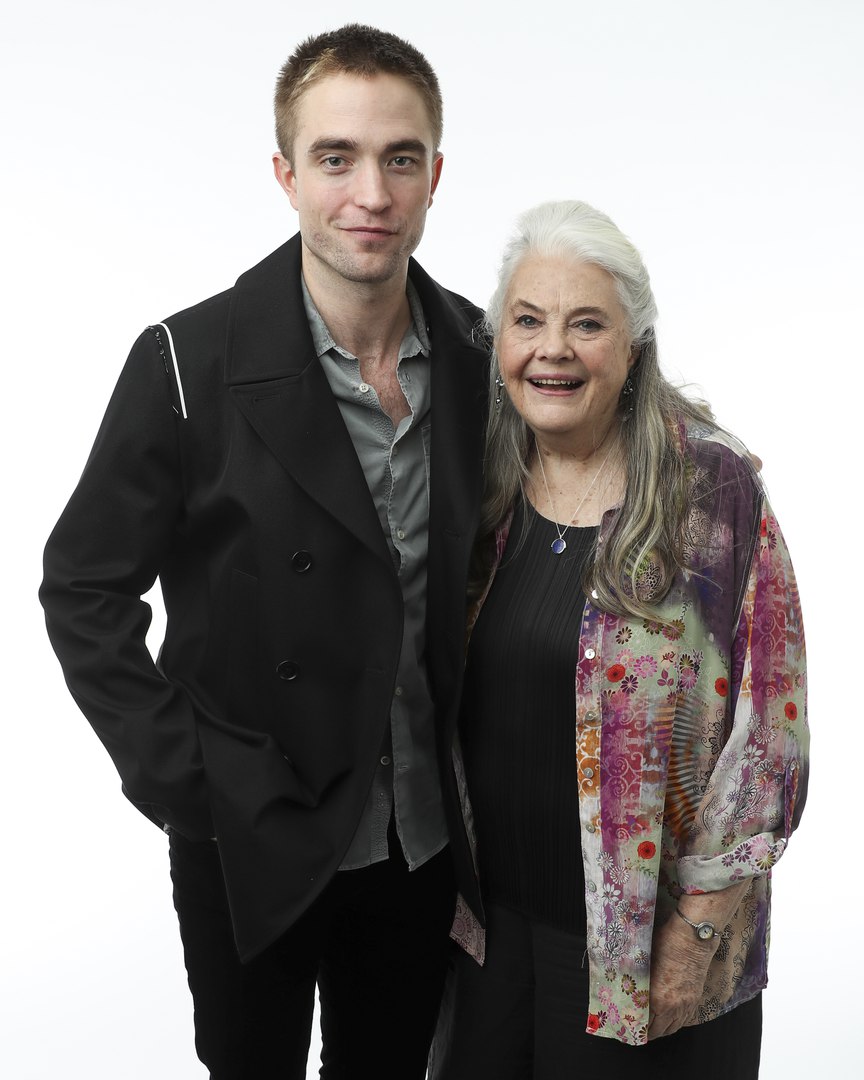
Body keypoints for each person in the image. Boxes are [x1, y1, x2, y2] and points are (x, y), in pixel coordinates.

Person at [39, 24, 487, 1080]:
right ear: (286, 175)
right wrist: (188, 781)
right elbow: (84, 587)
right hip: (250, 828)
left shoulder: (480, 355)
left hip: (423, 834)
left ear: (435, 176)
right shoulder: (184, 361)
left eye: (400, 158)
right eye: (336, 158)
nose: (370, 193)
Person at [431, 201, 808, 1079]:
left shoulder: (709, 493)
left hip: (647, 953)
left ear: (633, 344)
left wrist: (697, 934)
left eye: (587, 324)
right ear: (498, 341)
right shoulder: (477, 483)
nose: (553, 349)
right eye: (528, 321)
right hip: (484, 943)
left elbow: (772, 737)